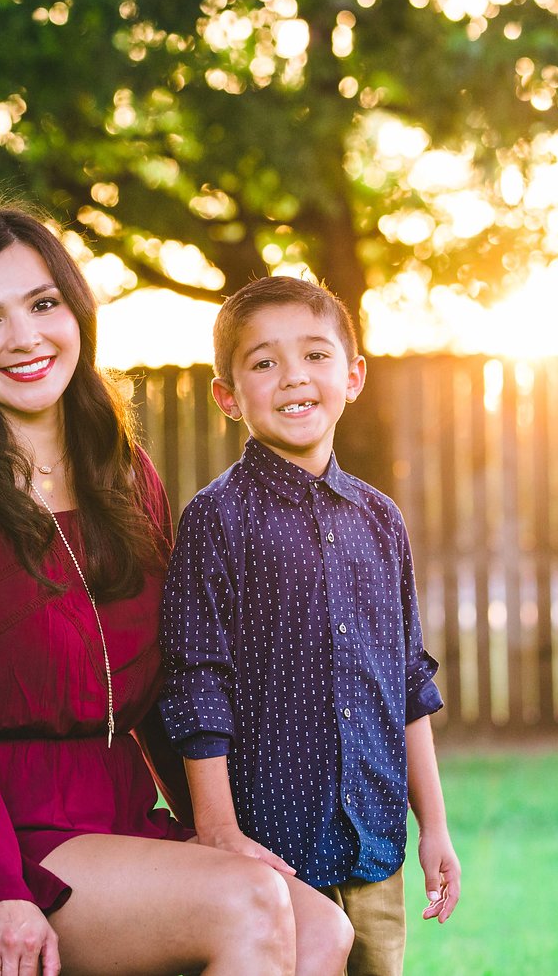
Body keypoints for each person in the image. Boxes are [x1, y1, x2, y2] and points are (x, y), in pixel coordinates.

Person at [0, 207, 355, 975]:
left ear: (76, 312)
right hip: (10, 830)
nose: (24, 337)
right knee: (248, 903)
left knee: (323, 928)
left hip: (122, 810)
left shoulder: (125, 477)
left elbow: (167, 681)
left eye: (43, 304)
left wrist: (212, 824)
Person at [158, 275, 462, 976]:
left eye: (315, 355)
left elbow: (409, 682)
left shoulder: (381, 520)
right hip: (275, 857)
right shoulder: (216, 521)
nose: (294, 376)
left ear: (353, 376)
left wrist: (435, 827)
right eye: (265, 362)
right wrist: (219, 830)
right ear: (228, 396)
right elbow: (196, 688)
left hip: (375, 849)